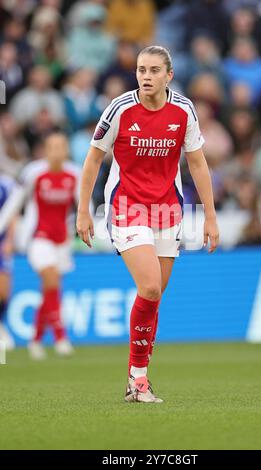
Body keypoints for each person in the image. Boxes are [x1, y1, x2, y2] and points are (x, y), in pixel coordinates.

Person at [76, 46, 219, 403]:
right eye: (141, 69)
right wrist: (82, 210)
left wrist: (210, 217)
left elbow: (198, 164)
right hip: (127, 204)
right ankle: (138, 379)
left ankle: (136, 378)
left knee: (153, 298)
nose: (146, 76)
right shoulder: (120, 108)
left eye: (154, 70)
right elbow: (93, 160)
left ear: (169, 75)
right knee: (151, 286)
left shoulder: (184, 110)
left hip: (168, 209)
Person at [0, 132, 81, 359]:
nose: (57, 151)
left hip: (62, 240)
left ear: (66, 150)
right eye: (52, 146)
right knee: (51, 278)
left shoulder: (74, 173)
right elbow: (14, 204)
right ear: (46, 150)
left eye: (61, 146)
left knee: (50, 291)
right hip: (39, 238)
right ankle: (60, 338)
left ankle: (35, 340)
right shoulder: (34, 172)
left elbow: (83, 203)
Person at [0, 172, 16, 350]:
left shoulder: (5, 184)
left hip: (1, 243)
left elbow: (12, 215)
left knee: (4, 291)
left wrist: (10, 240)